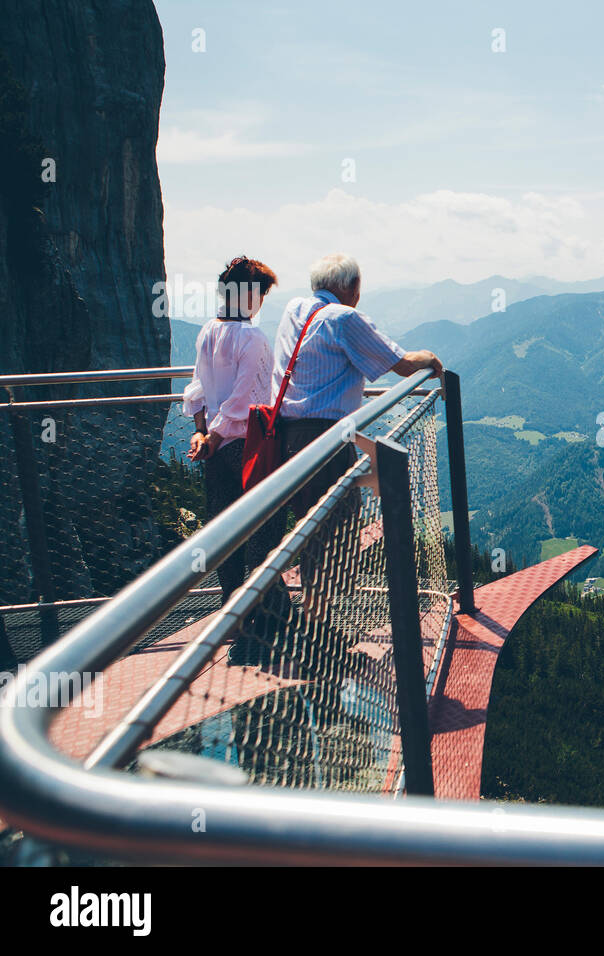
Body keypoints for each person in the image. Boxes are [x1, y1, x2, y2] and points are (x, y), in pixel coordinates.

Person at [264, 254, 441, 674]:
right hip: (326, 437)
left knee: (312, 525)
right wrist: (430, 358)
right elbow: (400, 365)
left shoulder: (295, 309)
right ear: (352, 288)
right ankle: (317, 629)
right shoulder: (344, 319)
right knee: (335, 527)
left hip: (287, 435)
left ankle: (311, 620)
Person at [182, 256, 283, 612]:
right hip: (247, 445)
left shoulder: (209, 330)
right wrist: (215, 434)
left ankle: (232, 605)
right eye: (262, 293)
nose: (262, 301)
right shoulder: (251, 337)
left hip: (216, 450)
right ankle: (264, 610)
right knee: (262, 526)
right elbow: (243, 401)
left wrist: (203, 433)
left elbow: (195, 389)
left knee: (225, 528)